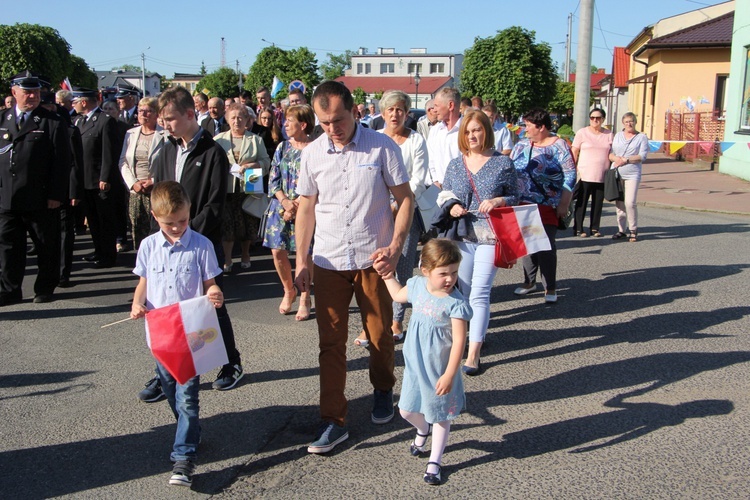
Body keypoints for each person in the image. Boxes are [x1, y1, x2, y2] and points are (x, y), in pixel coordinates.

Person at [294, 81, 414, 454]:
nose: (333, 128)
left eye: (338, 120)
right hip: (329, 260)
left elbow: (405, 199)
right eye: (324, 122)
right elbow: (306, 208)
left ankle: (382, 388)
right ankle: (333, 420)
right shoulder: (312, 154)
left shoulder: (382, 147)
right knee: (330, 344)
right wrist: (302, 261)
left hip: (372, 260)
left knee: (379, 337)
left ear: (355, 112)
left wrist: (395, 247)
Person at [142, 86, 244, 400]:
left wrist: (186, 235)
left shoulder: (212, 152)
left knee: (211, 307)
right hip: (166, 244)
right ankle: (167, 371)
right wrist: (162, 233)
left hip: (198, 244)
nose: (166, 125)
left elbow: (214, 204)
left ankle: (230, 363)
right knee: (166, 311)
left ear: (189, 114)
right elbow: (160, 196)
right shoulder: (165, 148)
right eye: (162, 120)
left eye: (171, 118)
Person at [130, 180, 224, 488]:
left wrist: (215, 292)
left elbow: (210, 282)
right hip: (160, 335)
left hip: (192, 333)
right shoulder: (147, 246)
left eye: (183, 220)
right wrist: (137, 302)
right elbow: (143, 281)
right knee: (171, 392)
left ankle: (183, 458)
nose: (178, 227)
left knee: (187, 398)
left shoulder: (201, 245)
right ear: (156, 218)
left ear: (189, 212)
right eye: (170, 223)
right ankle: (191, 431)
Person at [382, 238, 471, 485]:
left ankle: (435, 461)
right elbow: (398, 295)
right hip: (415, 363)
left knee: (441, 415)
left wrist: (450, 374)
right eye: (443, 273)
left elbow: (459, 342)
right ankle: (423, 429)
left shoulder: (457, 302)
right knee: (406, 410)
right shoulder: (418, 286)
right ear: (426, 271)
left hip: (440, 368)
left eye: (454, 272)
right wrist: (388, 275)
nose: (450, 279)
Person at [437, 110, 518, 374]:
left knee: (480, 292)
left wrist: (498, 201)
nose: (473, 135)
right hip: (462, 235)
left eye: (478, 130)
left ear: (487, 131)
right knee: (464, 290)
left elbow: (516, 195)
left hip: (491, 235)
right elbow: (444, 194)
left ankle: (473, 353)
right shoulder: (455, 164)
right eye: (468, 131)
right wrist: (452, 206)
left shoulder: (502, 163)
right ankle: (470, 335)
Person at [353, 90, 429, 347]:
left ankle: (397, 320)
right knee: (376, 268)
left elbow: (418, 179)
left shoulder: (416, 140)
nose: (395, 114)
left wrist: (399, 203)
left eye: (400, 109)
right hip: (376, 212)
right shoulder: (373, 139)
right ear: (382, 113)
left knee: (402, 265)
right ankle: (373, 322)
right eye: (390, 109)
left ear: (407, 113)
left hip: (408, 210)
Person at [0, 71, 71, 306]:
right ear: (14, 92)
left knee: (45, 245)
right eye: (27, 91)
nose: (32, 96)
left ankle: (45, 287)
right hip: (7, 196)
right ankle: (10, 289)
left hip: (40, 196)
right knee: (9, 247)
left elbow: (62, 163)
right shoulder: (3, 120)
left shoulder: (52, 122)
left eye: (36, 92)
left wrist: (56, 195)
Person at [510, 108, 576, 304]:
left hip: (548, 204)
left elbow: (570, 175)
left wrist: (564, 203)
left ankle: (550, 286)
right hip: (523, 203)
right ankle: (529, 282)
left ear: (542, 127)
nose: (525, 129)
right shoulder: (521, 145)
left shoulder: (560, 146)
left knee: (545, 246)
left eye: (529, 126)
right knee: (528, 245)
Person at [262, 104, 315, 321]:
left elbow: (318, 181)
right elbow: (273, 179)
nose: (284, 125)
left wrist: (297, 205)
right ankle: (288, 290)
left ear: (302, 124)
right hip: (281, 207)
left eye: (289, 121)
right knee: (277, 251)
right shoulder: (282, 147)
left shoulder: (315, 149)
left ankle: (305, 296)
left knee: (305, 254)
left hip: (306, 207)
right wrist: (285, 202)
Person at [214, 103, 271, 273]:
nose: (237, 121)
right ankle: (228, 258)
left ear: (247, 120)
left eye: (240, 117)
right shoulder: (219, 140)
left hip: (249, 187)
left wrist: (255, 164)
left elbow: (267, 162)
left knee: (247, 225)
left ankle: (246, 254)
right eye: (233, 117)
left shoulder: (255, 139)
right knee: (227, 225)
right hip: (227, 188)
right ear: (227, 119)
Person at [73, 88, 120, 269]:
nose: (73, 104)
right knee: (92, 219)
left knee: (104, 220)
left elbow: (109, 152)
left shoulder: (104, 121)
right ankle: (98, 250)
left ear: (84, 102)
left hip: (100, 180)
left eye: (76, 100)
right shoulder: (79, 121)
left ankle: (108, 255)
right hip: (85, 180)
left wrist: (105, 177)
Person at [119, 97, 167, 250]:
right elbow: (123, 162)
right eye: (141, 111)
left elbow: (169, 163)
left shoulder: (165, 135)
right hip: (136, 190)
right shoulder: (130, 133)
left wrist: (153, 180)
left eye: (148, 111)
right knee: (137, 228)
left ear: (156, 114)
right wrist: (133, 183)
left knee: (157, 228)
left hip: (156, 189)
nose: (144, 114)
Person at [571, 107, 613, 237]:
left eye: (598, 118)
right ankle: (578, 228)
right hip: (584, 174)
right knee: (582, 202)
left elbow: (611, 152)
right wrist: (572, 167)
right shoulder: (582, 133)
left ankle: (595, 228)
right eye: (592, 118)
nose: (595, 120)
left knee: (598, 203)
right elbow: (574, 151)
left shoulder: (609, 134)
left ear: (603, 119)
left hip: (601, 174)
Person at [608, 112, 649, 242]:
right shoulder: (618, 135)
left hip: (632, 173)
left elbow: (642, 156)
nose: (629, 124)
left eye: (631, 121)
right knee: (619, 203)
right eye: (626, 122)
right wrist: (616, 159)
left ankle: (633, 229)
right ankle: (621, 230)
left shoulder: (641, 137)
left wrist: (626, 160)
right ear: (623, 123)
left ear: (635, 122)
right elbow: (611, 153)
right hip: (617, 172)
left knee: (629, 202)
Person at [427, 88, 462, 187]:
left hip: (462, 190)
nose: (434, 110)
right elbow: (430, 159)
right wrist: (435, 180)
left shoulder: (467, 130)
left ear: (450, 105)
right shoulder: (435, 130)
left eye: (437, 106)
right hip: (440, 189)